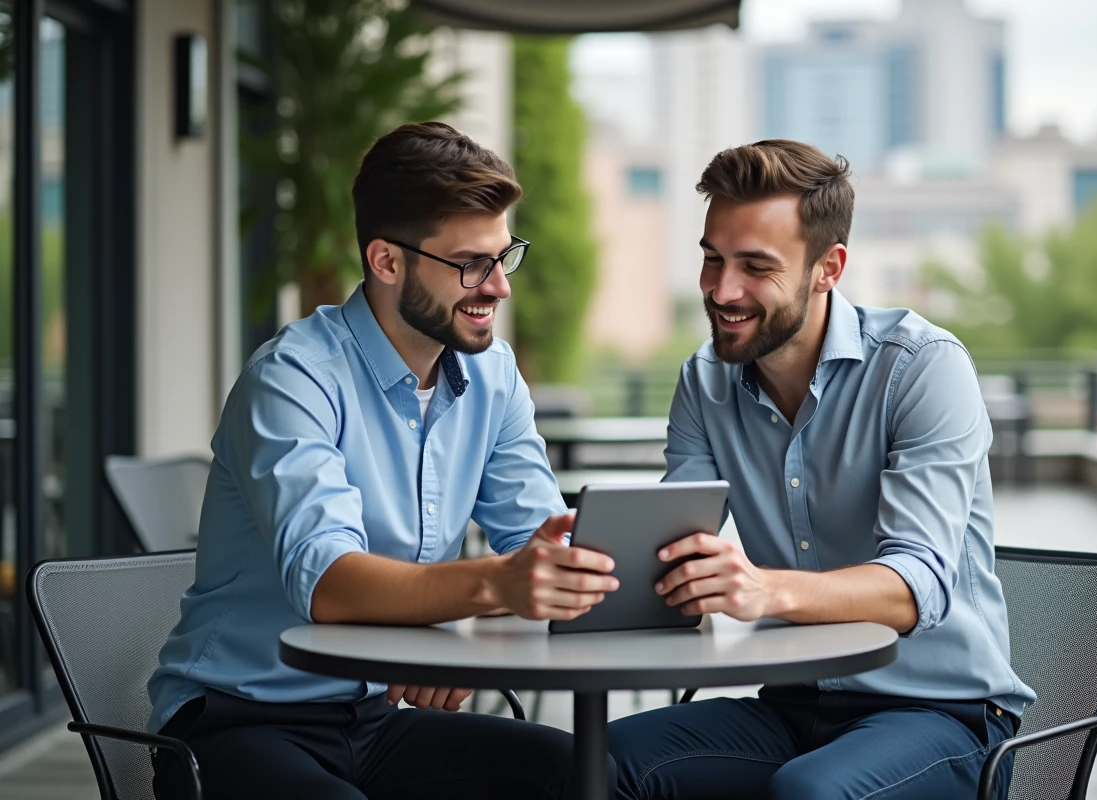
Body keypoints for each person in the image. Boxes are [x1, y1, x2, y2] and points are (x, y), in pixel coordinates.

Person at [148, 121, 619, 800]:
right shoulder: (293, 379)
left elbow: (537, 551)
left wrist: (450, 632)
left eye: (503, 257)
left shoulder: (493, 376)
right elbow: (330, 583)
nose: (499, 288)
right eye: (470, 265)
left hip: (377, 716)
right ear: (387, 261)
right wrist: (485, 591)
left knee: (581, 773)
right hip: (238, 718)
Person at [607, 139, 1036, 800]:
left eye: (756, 266)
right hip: (793, 707)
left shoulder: (921, 368)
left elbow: (915, 587)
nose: (722, 290)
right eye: (713, 259)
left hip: (945, 717)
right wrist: (594, 569)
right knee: (599, 760)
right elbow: (672, 545)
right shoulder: (704, 380)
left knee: (810, 792)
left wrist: (764, 590)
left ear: (827, 268)